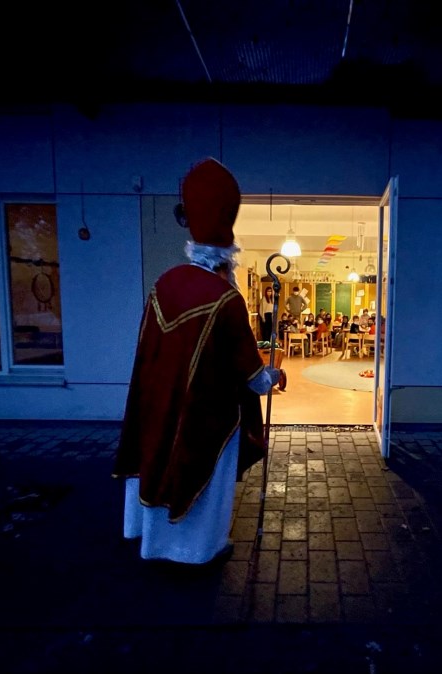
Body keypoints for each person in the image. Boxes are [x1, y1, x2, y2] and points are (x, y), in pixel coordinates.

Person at [112, 157, 280, 565]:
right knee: (205, 480)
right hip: (206, 415)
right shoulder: (226, 298)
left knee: (157, 455)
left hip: (156, 406)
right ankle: (197, 551)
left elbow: (149, 353)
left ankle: (151, 542)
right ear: (227, 258)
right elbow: (255, 378)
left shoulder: (163, 284)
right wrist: (275, 374)